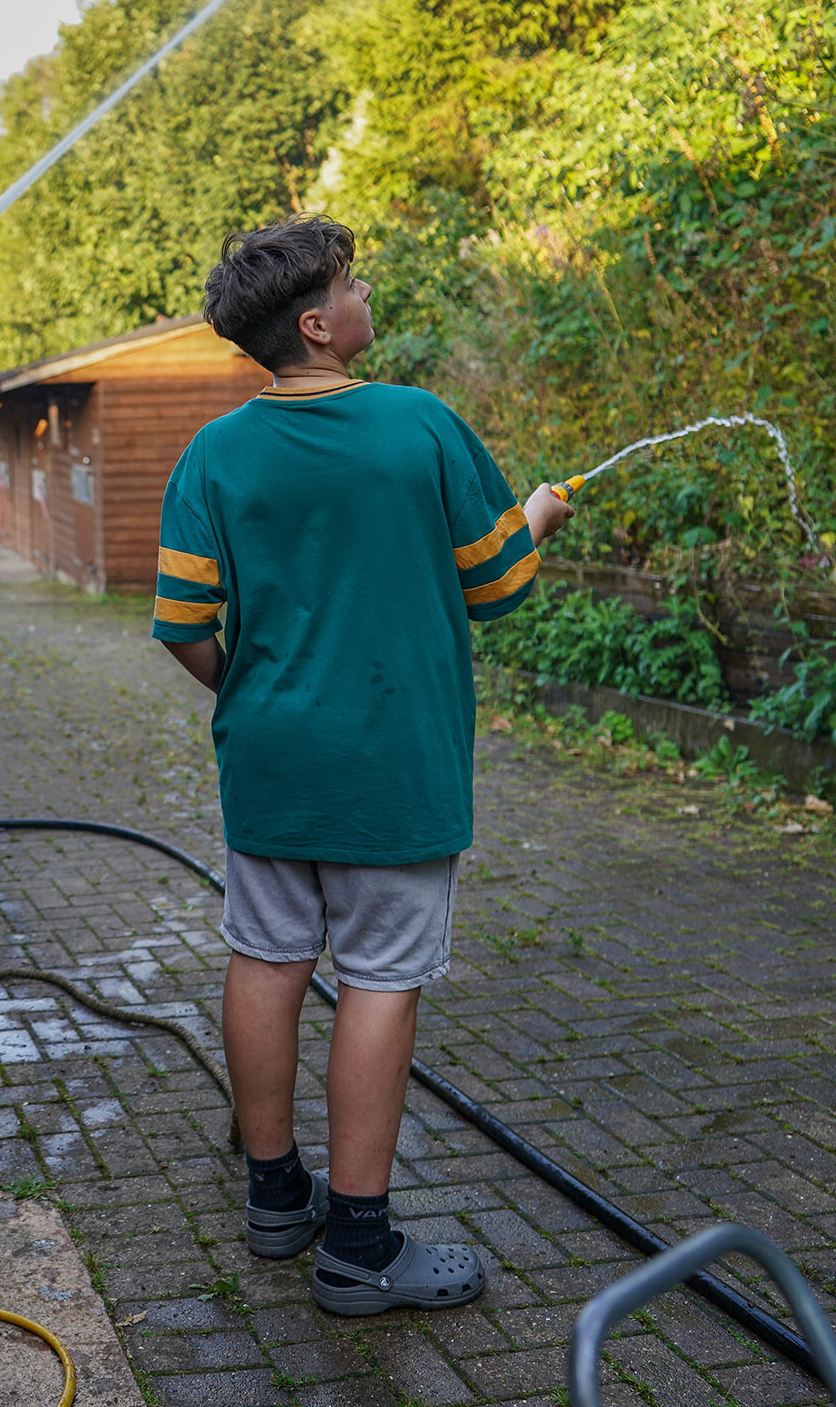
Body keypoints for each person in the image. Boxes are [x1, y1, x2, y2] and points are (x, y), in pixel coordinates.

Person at [150, 214, 573, 1317]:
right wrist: (533, 516)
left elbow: (184, 622)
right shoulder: (419, 425)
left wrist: (245, 692)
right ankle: (360, 1246)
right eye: (354, 281)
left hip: (271, 763)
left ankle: (275, 1198)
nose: (366, 290)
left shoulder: (213, 451)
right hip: (395, 766)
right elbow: (498, 586)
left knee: (265, 954)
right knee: (378, 980)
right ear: (319, 323)